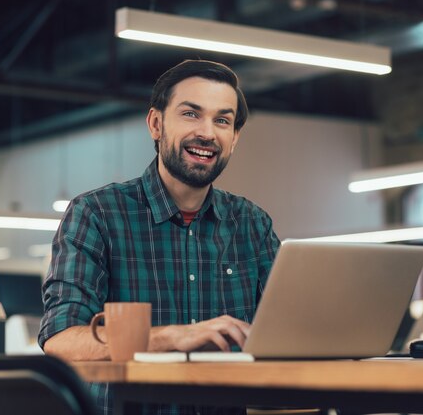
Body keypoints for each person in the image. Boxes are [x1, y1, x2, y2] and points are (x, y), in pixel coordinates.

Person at [38, 60, 281, 415]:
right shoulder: (97, 214)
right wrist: (169, 338)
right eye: (190, 114)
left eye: (222, 120)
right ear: (156, 124)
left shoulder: (252, 224)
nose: (208, 133)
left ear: (235, 138)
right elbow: (62, 341)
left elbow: (287, 334)